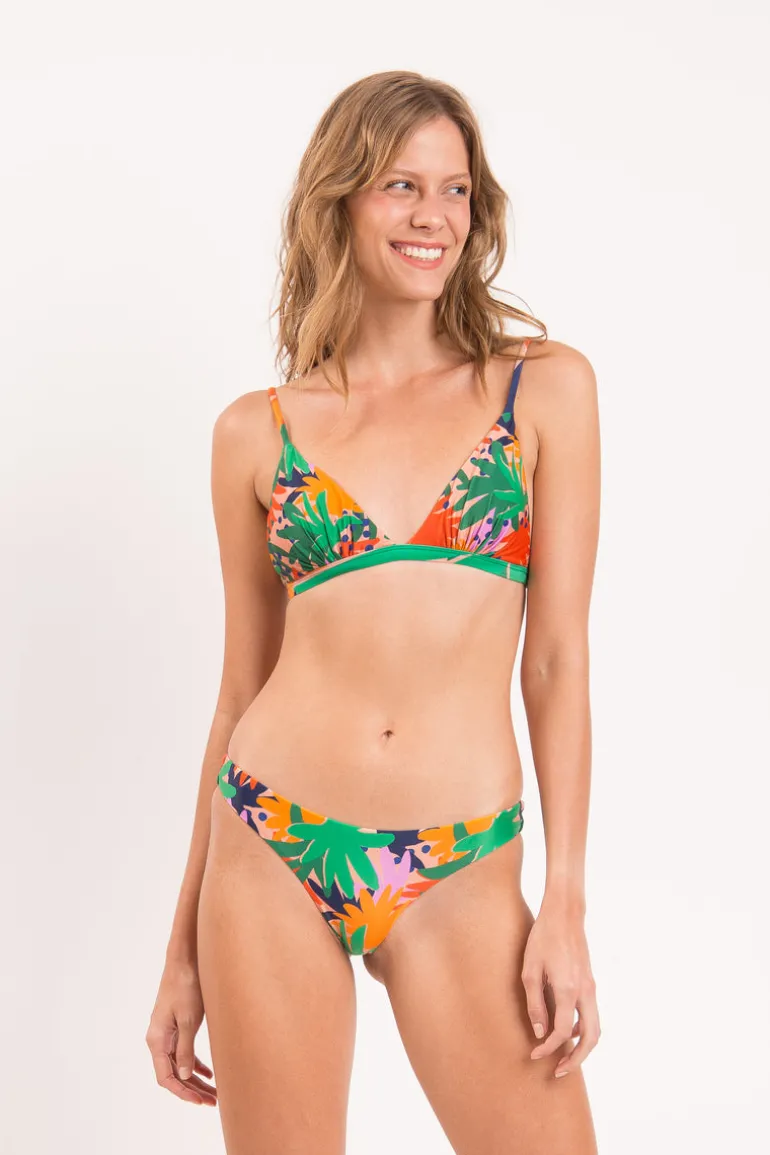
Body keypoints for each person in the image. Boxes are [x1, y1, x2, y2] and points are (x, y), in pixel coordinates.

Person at [146, 69, 602, 1154]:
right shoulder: (256, 432)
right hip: (271, 839)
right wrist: (180, 950)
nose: (432, 215)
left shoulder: (540, 389)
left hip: (460, 859)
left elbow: (556, 661)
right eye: (401, 185)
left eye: (455, 190)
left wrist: (566, 902)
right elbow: (239, 692)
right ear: (340, 200)